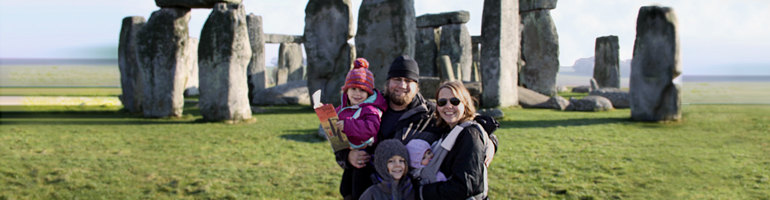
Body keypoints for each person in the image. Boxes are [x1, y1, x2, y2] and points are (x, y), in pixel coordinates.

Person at [336, 55, 441, 200]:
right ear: (388, 82)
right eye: (397, 79)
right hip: (364, 190)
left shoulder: (431, 114)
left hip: (408, 193)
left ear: (417, 86)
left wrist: (481, 133)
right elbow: (338, 136)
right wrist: (347, 156)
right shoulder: (368, 106)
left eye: (408, 81)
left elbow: (463, 116)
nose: (402, 85)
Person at [415, 81, 495, 200]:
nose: (448, 106)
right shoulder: (447, 131)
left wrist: (421, 192)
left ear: (465, 104)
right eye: (442, 102)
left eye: (455, 101)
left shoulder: (469, 135)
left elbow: (464, 187)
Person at [336, 58, 388, 200]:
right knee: (345, 189)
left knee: (359, 190)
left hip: (367, 156)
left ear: (369, 94)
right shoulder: (344, 108)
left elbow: (371, 128)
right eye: (353, 89)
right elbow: (334, 121)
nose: (357, 94)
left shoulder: (371, 110)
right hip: (351, 152)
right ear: (346, 90)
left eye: (362, 90)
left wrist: (347, 125)